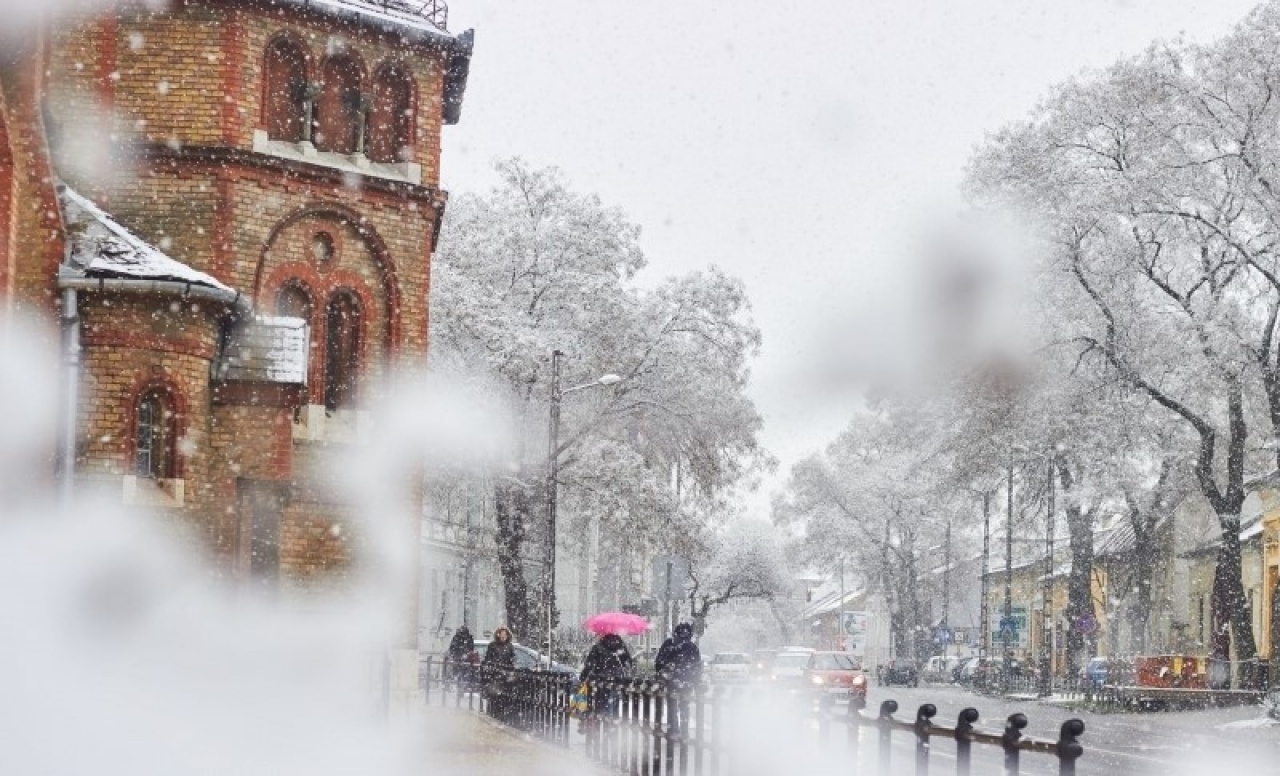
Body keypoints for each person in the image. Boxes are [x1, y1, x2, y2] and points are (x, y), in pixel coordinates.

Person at [654, 623, 701, 735]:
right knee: (684, 707)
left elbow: (659, 663)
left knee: (672, 706)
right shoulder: (692, 647)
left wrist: (664, 675)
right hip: (686, 681)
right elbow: (696, 667)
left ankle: (673, 730)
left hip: (671, 680)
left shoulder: (669, 644)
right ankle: (684, 732)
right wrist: (694, 682)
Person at [580, 633, 634, 724]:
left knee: (601, 701)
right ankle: (613, 721)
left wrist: (584, 676)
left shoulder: (598, 646)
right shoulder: (620, 646)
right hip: (617, 679)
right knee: (614, 700)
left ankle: (600, 720)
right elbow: (628, 662)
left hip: (601, 680)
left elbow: (590, 663)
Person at [482, 626, 517, 722]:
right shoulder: (492, 645)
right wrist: (492, 667)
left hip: (505, 674)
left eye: (505, 635)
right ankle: (492, 713)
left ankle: (501, 715)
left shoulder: (510, 646)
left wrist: (510, 669)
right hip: (495, 674)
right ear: (498, 635)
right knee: (494, 695)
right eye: (501, 634)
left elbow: (513, 659)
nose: (503, 637)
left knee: (503, 696)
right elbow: (488, 659)